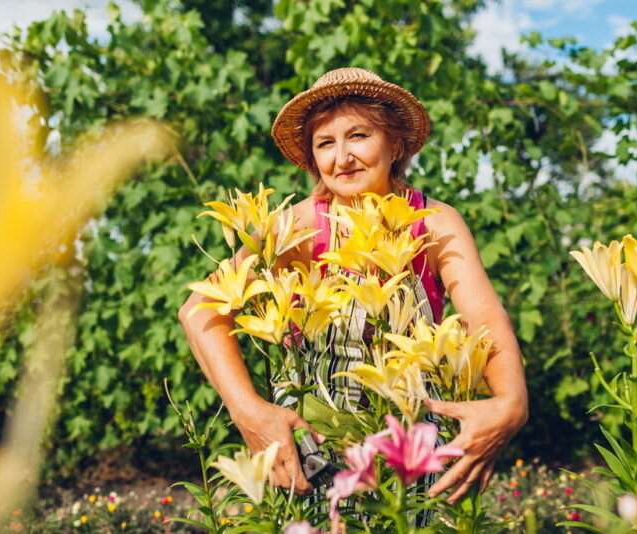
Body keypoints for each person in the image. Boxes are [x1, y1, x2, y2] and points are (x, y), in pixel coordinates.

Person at [178, 67, 528, 505]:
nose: (341, 158)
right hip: (314, 452)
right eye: (325, 143)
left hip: (414, 446)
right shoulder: (297, 227)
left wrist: (511, 402)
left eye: (358, 136)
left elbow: (485, 319)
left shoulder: (435, 223)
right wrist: (249, 411)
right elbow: (198, 310)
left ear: (395, 143)